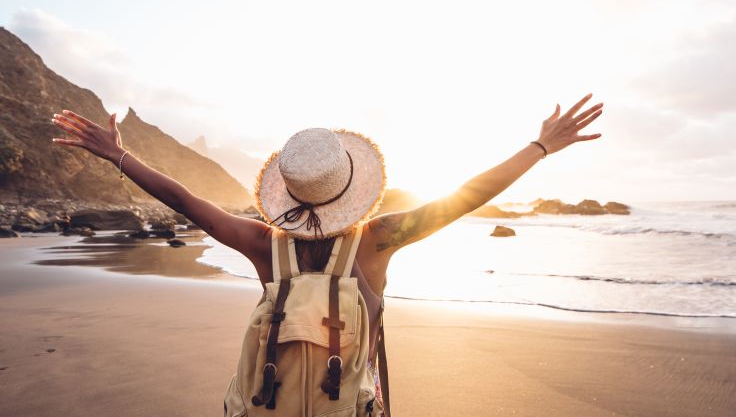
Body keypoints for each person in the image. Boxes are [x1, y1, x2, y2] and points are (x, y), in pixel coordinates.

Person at [50, 92, 603, 412]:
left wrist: (118, 157)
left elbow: (185, 200)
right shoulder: (379, 240)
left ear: (288, 193)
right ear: (354, 186)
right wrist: (540, 148)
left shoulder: (263, 243)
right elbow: (465, 197)